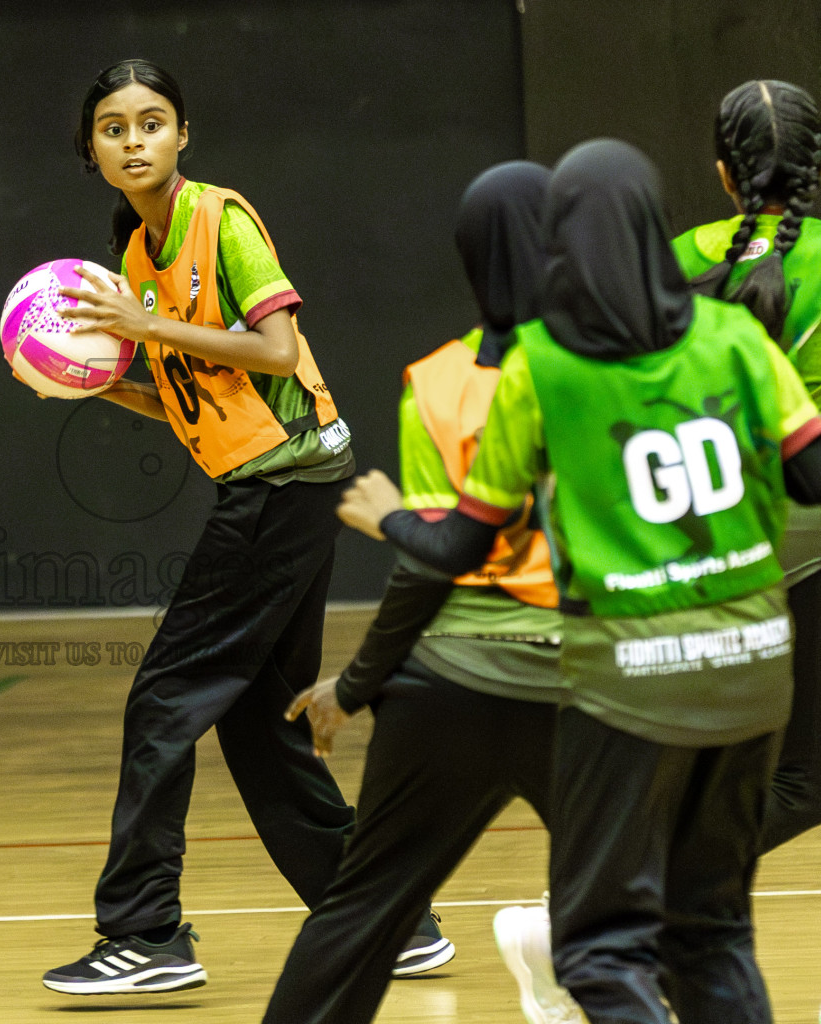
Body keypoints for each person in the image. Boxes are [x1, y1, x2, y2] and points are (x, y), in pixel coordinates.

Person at [371, 139, 821, 1023]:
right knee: (712, 935)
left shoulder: (542, 366)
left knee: (598, 949)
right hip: (751, 662)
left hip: (627, 675)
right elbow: (820, 481)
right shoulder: (734, 337)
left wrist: (386, 517)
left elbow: (467, 543)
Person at [29, 58, 450, 996]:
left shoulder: (224, 220)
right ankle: (387, 918)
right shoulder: (133, 257)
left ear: (183, 136)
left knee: (164, 699)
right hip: (272, 488)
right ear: (90, 151)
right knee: (261, 724)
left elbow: (274, 349)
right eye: (112, 128)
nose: (133, 139)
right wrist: (88, 374)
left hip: (282, 484)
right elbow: (185, 390)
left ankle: (144, 935)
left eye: (152, 122)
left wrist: (145, 330)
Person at [256, 160, 581, 1024]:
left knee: (359, 917)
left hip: (444, 692)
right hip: (575, 687)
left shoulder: (432, 380)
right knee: (660, 902)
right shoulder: (611, 374)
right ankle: (560, 957)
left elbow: (429, 565)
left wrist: (355, 686)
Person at [668, 79, 821, 1024]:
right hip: (800, 545)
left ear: (721, 173)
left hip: (709, 543)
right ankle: (589, 912)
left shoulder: (679, 259)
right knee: (804, 781)